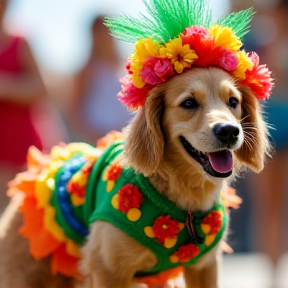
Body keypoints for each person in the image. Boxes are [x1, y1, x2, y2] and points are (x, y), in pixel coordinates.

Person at [0, 0, 48, 212]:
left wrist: (5, 87)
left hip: (19, 143)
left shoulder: (19, 42)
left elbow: (40, 89)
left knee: (20, 210)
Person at [71, 15, 131, 144]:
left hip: (127, 136)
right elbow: (75, 108)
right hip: (100, 138)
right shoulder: (88, 69)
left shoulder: (127, 64)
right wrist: (93, 137)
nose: (104, 35)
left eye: (107, 30)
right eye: (99, 31)